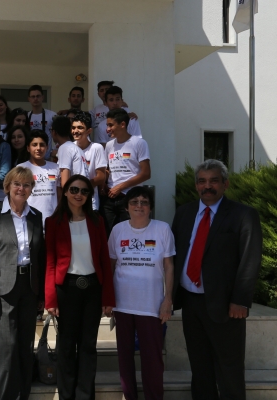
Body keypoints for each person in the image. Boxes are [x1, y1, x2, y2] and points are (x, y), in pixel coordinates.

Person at [171, 159, 262, 399]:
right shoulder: (184, 213)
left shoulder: (243, 215)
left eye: (214, 181)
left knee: (229, 367)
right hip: (190, 302)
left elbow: (250, 259)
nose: (207, 186)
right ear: (196, 185)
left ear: (225, 184)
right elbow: (175, 255)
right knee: (199, 366)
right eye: (202, 181)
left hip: (226, 304)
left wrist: (240, 300)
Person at [45, 174, 114, 400]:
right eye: (74, 190)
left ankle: (84, 396)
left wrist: (108, 298)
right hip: (66, 289)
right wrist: (50, 299)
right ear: (65, 192)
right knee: (66, 346)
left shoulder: (97, 221)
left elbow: (104, 260)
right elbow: (50, 262)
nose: (79, 195)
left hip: (92, 288)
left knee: (88, 346)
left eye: (84, 191)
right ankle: (66, 395)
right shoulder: (53, 222)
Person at [0, 166, 46, 400]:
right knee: (5, 347)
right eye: (17, 184)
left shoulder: (36, 215)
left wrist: (41, 295)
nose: (21, 188)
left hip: (29, 286)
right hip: (2, 288)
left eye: (26, 185)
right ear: (8, 186)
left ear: (31, 189)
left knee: (25, 345)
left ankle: (22, 394)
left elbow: (40, 257)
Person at [108, 186, 175, 400]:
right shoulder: (118, 230)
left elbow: (169, 266)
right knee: (125, 358)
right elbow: (111, 265)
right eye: (134, 202)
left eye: (144, 202)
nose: (139, 206)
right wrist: (108, 299)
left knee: (153, 359)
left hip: (151, 305)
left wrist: (168, 299)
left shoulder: (162, 229)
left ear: (150, 207)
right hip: (123, 304)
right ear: (126, 207)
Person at [103, 108, 151, 231]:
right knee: (110, 234)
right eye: (107, 125)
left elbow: (146, 173)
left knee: (129, 233)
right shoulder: (109, 145)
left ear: (122, 124)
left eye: (111, 125)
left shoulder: (139, 143)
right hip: (110, 197)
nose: (107, 129)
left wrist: (120, 187)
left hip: (130, 197)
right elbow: (108, 170)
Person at [17, 129, 59, 227]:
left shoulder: (56, 168)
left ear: (47, 147)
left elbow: (60, 196)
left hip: (52, 221)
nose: (38, 148)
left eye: (42, 145)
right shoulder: (21, 168)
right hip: (29, 222)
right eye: (34, 145)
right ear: (28, 148)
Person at [72, 111, 106, 211]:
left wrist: (81, 189)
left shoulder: (97, 148)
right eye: (73, 128)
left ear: (89, 131)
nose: (75, 131)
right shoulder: (67, 148)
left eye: (80, 127)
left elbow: (101, 177)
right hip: (71, 202)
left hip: (90, 202)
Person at [52, 115, 87, 189]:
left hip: (75, 191)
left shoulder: (64, 148)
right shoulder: (76, 148)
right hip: (82, 190)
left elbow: (65, 183)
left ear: (54, 132)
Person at [27, 85, 56, 160]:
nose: (35, 99)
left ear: (42, 97)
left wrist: (55, 149)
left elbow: (59, 135)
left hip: (47, 158)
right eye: (33, 97)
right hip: (30, 158)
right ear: (29, 99)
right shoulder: (26, 116)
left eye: (38, 96)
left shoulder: (52, 115)